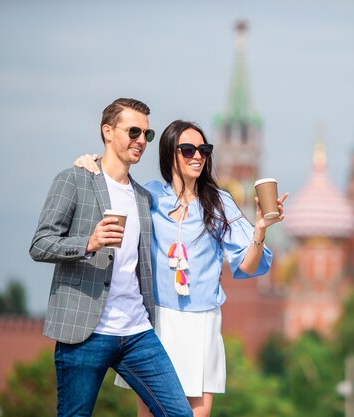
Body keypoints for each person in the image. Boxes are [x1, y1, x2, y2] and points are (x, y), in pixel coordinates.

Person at [74, 120, 288, 417]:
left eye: (204, 149)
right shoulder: (147, 196)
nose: (197, 156)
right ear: (169, 154)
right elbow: (110, 193)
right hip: (155, 321)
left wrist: (260, 229)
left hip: (202, 322)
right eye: (188, 150)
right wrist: (91, 168)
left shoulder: (220, 202)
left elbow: (249, 264)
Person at [30, 98, 193, 417]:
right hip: (84, 331)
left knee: (179, 413)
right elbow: (40, 243)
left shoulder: (144, 197)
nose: (141, 141)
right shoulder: (75, 179)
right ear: (107, 131)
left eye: (147, 134)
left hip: (136, 330)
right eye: (133, 131)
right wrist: (88, 242)